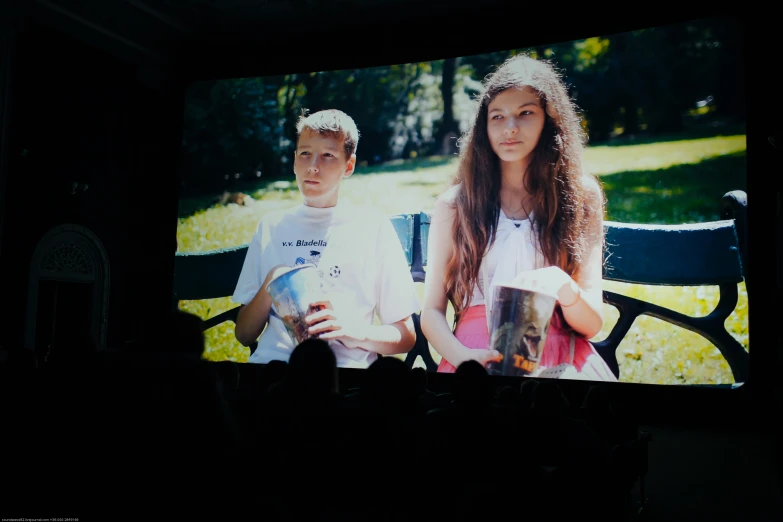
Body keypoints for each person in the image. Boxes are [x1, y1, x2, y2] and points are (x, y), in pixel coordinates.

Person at [420, 55, 616, 381]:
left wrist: (563, 288)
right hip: (473, 356)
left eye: (525, 113)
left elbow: (592, 324)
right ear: (484, 126)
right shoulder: (454, 205)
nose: (510, 128)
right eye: (498, 116)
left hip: (559, 356)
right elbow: (431, 312)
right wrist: (464, 359)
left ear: (549, 119)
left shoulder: (582, 196)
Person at [232, 109, 420, 368]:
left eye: (328, 155)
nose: (313, 166)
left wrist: (350, 331)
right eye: (305, 153)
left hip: (345, 376)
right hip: (275, 371)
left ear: (349, 166)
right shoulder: (271, 226)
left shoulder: (372, 227)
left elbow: (405, 336)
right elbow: (243, 335)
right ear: (295, 159)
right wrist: (271, 284)